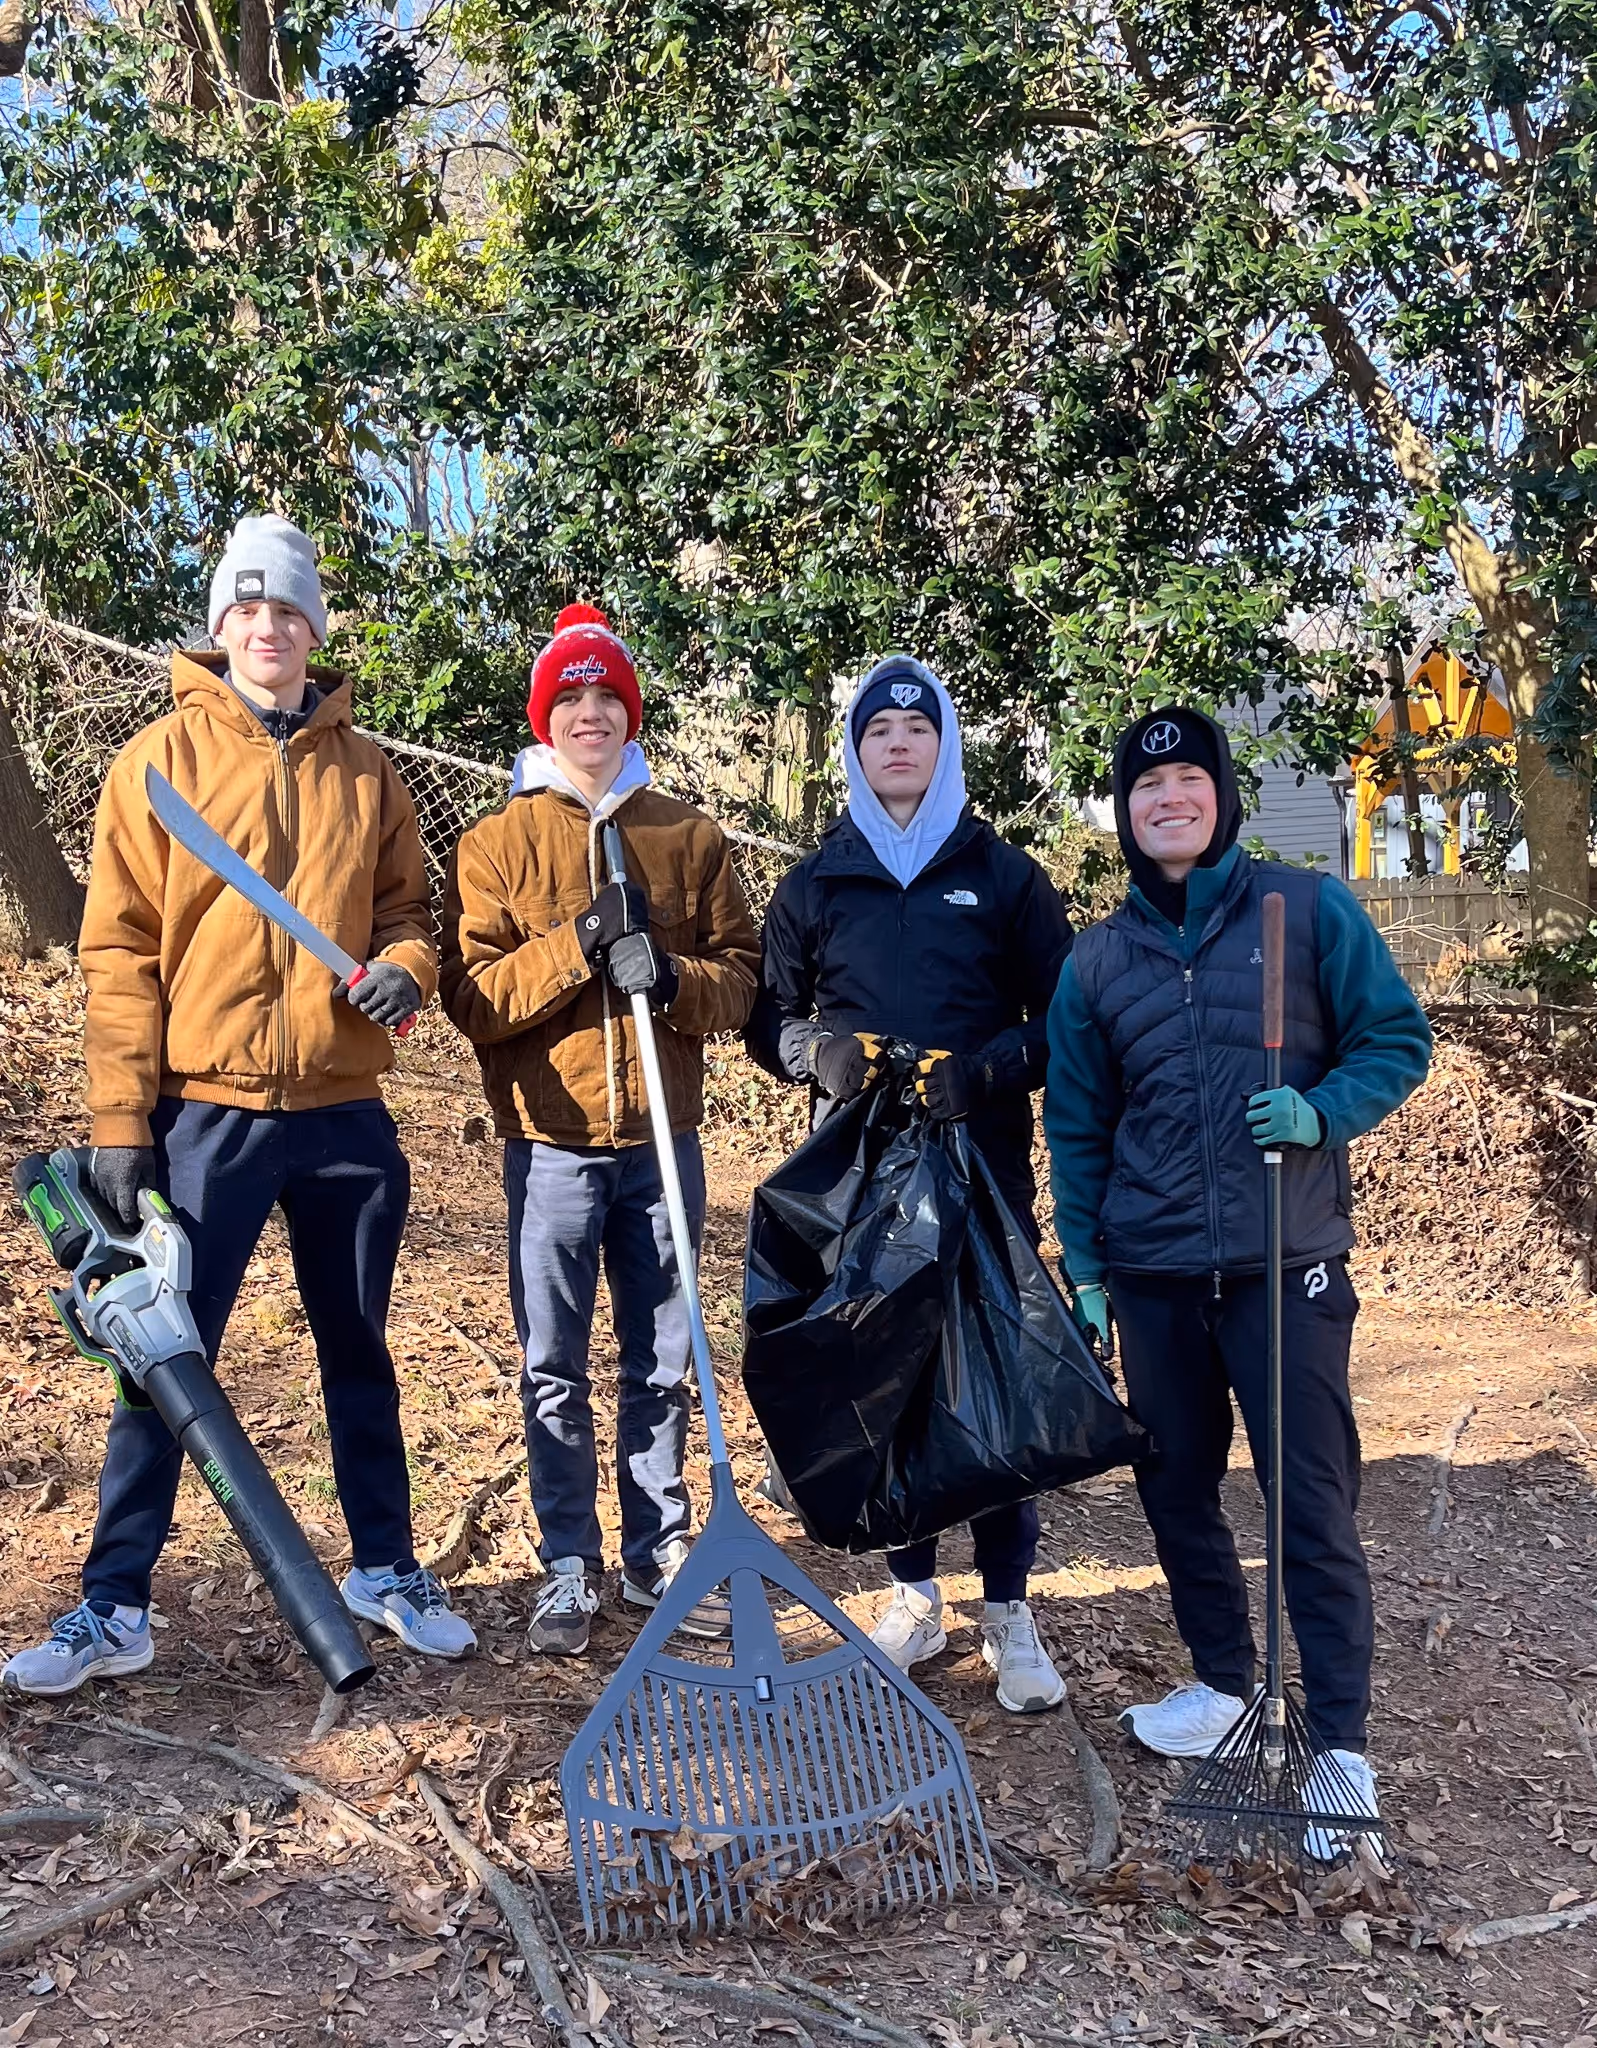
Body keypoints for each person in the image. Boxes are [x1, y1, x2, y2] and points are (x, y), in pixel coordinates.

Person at [3, 515, 475, 1698]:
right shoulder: (155, 765)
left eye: (290, 611)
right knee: (162, 1358)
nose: (269, 629)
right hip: (202, 1118)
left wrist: (404, 972)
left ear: (315, 630)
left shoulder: (368, 773)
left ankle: (385, 1566)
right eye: (248, 611)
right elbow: (117, 953)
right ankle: (116, 1601)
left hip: (345, 1111)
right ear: (220, 628)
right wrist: (120, 1123)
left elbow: (416, 918)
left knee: (358, 1347)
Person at [1043, 704, 1431, 1850]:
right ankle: (1222, 1677)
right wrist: (1090, 1266)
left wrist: (1321, 1109)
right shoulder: (1097, 959)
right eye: (1146, 785)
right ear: (1124, 810)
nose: (1168, 798)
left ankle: (1341, 1744)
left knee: (1307, 1499)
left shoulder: (1303, 911)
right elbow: (1077, 1124)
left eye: (1187, 780)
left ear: (1219, 794)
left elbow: (1394, 1039)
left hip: (1284, 1262)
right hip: (1155, 1269)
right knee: (1174, 1491)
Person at [746, 655, 1076, 1714]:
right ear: (853, 749)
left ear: (944, 745)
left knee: (993, 1383)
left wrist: (986, 1070)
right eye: (876, 726)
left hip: (979, 1165)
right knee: (883, 1379)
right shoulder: (819, 880)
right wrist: (819, 1057)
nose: (896, 740)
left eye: (916, 724)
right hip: (861, 1180)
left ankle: (1010, 1610)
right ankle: (912, 1593)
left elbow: (1060, 1020)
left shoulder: (1003, 875)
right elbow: (769, 1017)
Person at [441, 604, 759, 1656]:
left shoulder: (688, 834)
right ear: (546, 716)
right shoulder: (495, 843)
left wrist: (670, 977)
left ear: (629, 713)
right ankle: (568, 1560)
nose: (589, 714)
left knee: (663, 1356)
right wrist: (579, 944)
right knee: (552, 1362)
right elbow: (475, 998)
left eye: (606, 697)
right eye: (570, 699)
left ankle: (656, 1550)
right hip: (552, 1143)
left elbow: (745, 984)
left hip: (662, 1141)